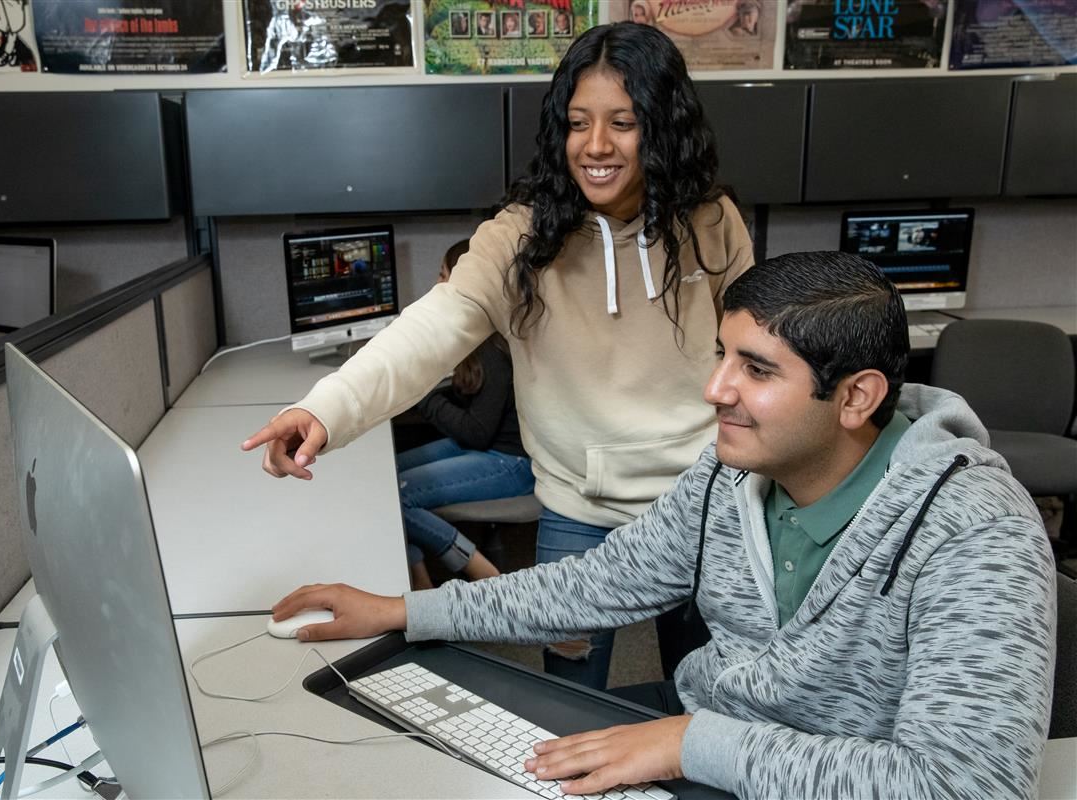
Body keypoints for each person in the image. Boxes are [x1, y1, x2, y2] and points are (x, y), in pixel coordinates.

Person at [270, 251, 1056, 799]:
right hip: (713, 747)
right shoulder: (730, 476)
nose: (715, 390)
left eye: (755, 368)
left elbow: (964, 786)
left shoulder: (974, 530)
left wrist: (689, 744)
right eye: (722, 356)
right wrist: (406, 612)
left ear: (855, 398)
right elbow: (600, 584)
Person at [243, 23, 753, 690]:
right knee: (564, 700)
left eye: (622, 122)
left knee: (708, 697)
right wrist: (325, 410)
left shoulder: (711, 222)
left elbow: (752, 354)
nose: (595, 146)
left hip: (700, 507)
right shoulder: (520, 237)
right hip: (580, 510)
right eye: (577, 123)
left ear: (660, 126)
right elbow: (427, 333)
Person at [398, 240, 533, 590]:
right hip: (479, 448)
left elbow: (476, 432)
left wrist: (424, 394)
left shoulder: (493, 347)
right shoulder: (473, 334)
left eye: (443, 275)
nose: (437, 284)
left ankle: (482, 573)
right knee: (386, 478)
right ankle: (422, 583)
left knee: (399, 496)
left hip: (511, 463)